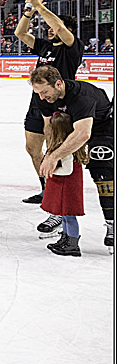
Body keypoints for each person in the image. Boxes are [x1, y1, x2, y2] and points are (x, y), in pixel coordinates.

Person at [29, 65, 114, 253]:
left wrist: (54, 156)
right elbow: (49, 127)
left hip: (101, 127)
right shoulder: (42, 97)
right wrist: (51, 153)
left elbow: (83, 134)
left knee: (102, 171)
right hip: (72, 126)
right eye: (38, 93)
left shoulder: (82, 96)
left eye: (45, 92)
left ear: (58, 84)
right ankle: (60, 213)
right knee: (61, 172)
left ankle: (112, 223)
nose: (41, 97)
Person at [15, 0, 84, 204]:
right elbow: (20, 33)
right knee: (32, 148)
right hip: (37, 102)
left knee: (56, 148)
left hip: (60, 105)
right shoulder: (44, 46)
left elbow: (60, 29)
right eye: (49, 27)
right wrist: (29, 11)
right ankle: (46, 188)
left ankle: (59, 189)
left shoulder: (72, 47)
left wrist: (40, 7)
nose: (50, 29)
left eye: (53, 25)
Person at [38, 112, 88, 256]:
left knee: (69, 216)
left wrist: (50, 170)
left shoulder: (66, 150)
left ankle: (72, 244)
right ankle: (66, 238)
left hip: (67, 189)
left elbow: (67, 170)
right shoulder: (62, 146)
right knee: (65, 216)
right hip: (64, 188)